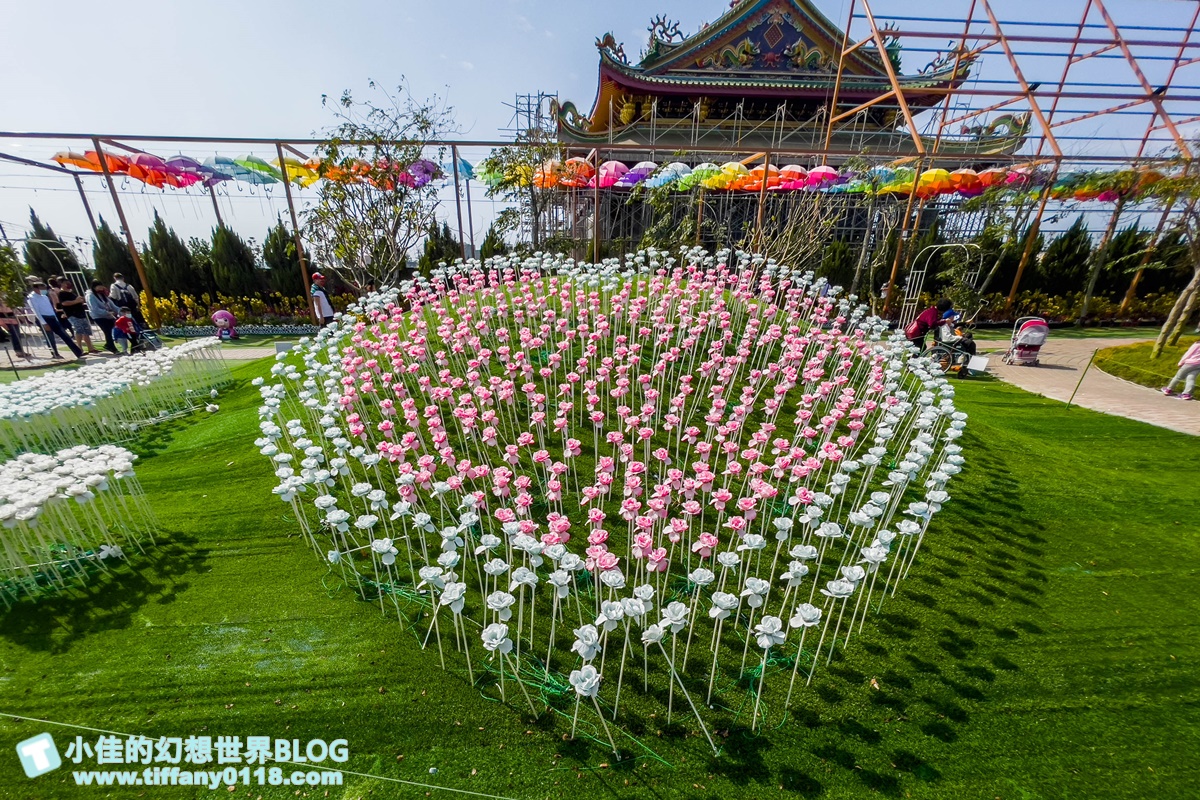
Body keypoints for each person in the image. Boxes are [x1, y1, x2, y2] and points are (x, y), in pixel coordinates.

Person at [26, 281, 82, 359]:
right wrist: (44, 323)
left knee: (65, 335)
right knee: (50, 338)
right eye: (41, 288)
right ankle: (55, 354)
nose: (43, 290)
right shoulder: (32, 298)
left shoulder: (44, 297)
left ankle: (78, 352)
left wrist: (56, 318)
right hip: (44, 318)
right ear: (35, 288)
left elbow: (50, 308)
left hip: (52, 317)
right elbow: (36, 311)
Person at [56, 278, 97, 355]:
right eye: (65, 283)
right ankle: (79, 348)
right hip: (73, 315)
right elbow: (64, 303)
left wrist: (81, 300)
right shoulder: (62, 294)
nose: (68, 284)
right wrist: (76, 301)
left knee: (86, 331)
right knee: (79, 330)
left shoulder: (71, 293)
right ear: (61, 284)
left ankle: (90, 348)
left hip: (81, 313)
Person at [86, 281, 120, 354]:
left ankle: (108, 344)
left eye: (102, 286)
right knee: (107, 330)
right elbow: (94, 308)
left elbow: (111, 304)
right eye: (99, 287)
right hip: (98, 316)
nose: (101, 288)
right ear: (94, 287)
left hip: (108, 316)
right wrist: (106, 312)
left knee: (109, 330)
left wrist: (120, 310)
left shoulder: (102, 295)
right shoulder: (91, 296)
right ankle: (112, 347)